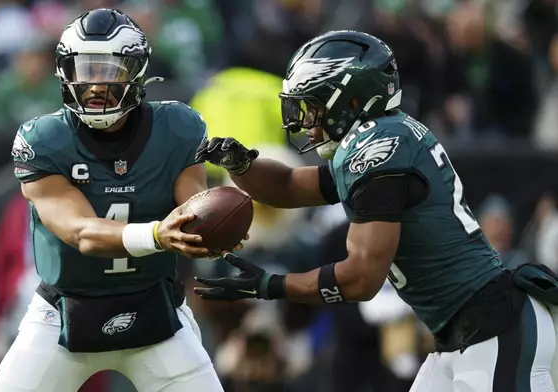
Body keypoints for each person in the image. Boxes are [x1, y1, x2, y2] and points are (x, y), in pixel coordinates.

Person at [194, 30, 557, 391]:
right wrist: (241, 165)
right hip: (463, 334)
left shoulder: (378, 150)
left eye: (315, 105)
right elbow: (287, 185)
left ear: (350, 101)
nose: (307, 121)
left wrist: (271, 285)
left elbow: (361, 278)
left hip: (494, 331)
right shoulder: (377, 139)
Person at [0, 8, 228, 392]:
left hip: (157, 314)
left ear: (136, 71)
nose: (94, 85)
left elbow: (197, 214)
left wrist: (216, 230)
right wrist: (156, 236)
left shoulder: (177, 127)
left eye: (107, 70)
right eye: (83, 70)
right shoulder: (43, 139)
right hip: (62, 317)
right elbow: (79, 231)